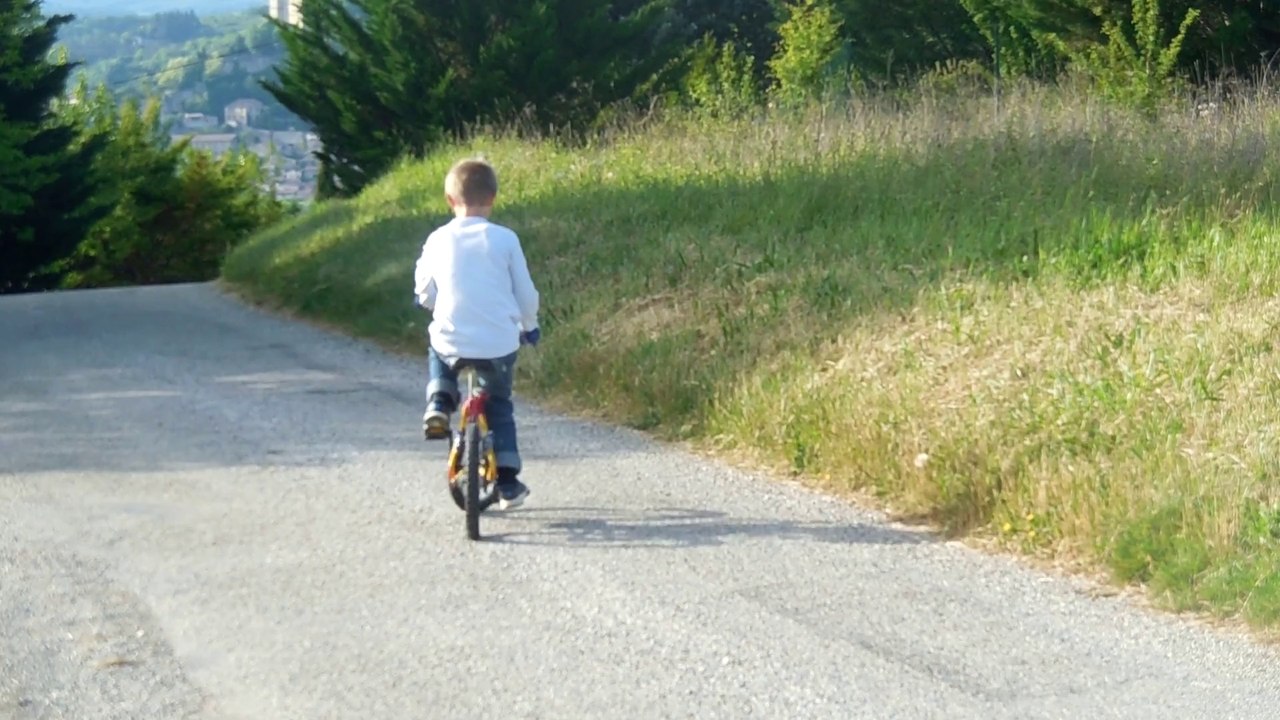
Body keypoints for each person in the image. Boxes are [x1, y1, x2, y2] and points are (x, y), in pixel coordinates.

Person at [413, 158, 540, 509]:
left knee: (438, 347)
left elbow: (424, 290)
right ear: (494, 198)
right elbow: (525, 293)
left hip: (451, 339)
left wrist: (433, 305)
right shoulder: (505, 239)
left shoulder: (438, 238)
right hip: (498, 342)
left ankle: (440, 400)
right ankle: (509, 482)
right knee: (499, 406)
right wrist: (529, 327)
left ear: (450, 200)